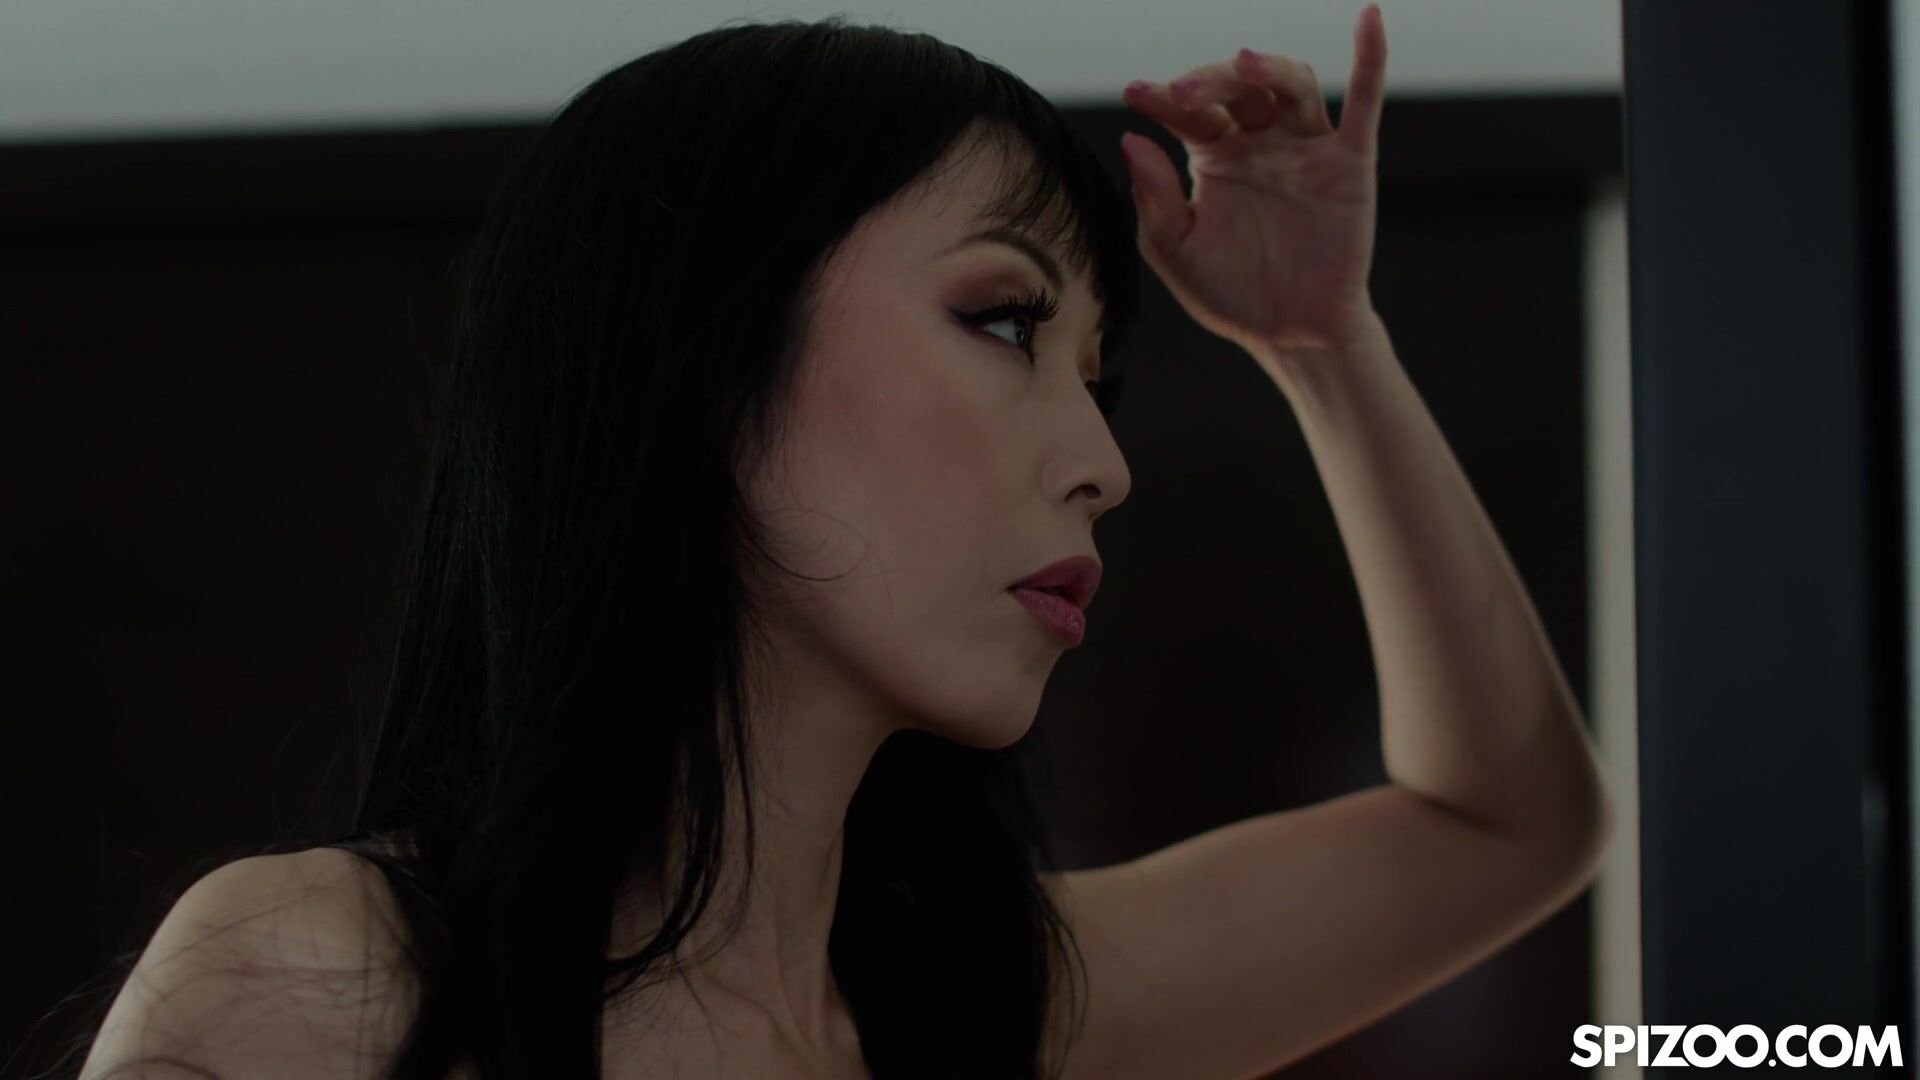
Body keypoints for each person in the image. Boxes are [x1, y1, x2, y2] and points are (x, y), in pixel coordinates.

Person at [73, 5, 1613, 1078]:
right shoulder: (326, 977)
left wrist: (1325, 347)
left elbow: (1510, 825)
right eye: (1003, 320)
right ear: (702, 347)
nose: (1102, 467)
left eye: (1096, 380)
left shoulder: (996, 1010)